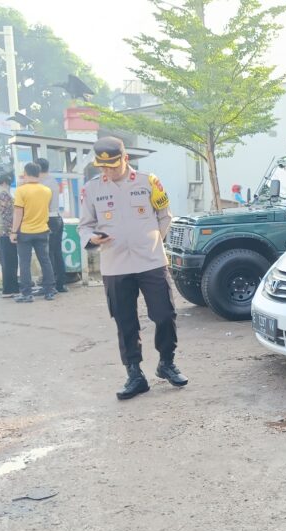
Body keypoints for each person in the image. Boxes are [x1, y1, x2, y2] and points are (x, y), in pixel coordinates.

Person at [78, 137, 188, 400]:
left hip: (150, 261)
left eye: (112, 166)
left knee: (164, 314)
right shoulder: (91, 189)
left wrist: (153, 241)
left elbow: (165, 215)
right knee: (125, 320)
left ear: (125, 159)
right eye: (102, 167)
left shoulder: (149, 181)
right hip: (115, 264)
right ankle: (134, 374)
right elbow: (84, 225)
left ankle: (166, 363)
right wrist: (92, 238)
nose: (107, 171)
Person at [10, 163, 56, 303]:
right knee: (45, 261)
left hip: (25, 232)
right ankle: (49, 291)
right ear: (39, 173)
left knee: (24, 262)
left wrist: (13, 231)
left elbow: (18, 213)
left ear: (25, 173)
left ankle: (26, 294)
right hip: (42, 230)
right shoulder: (47, 190)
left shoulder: (21, 191)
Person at [37, 158, 68, 293]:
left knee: (48, 254)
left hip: (48, 219)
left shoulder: (42, 184)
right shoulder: (53, 180)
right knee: (57, 252)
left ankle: (50, 284)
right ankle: (60, 284)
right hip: (57, 218)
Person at [0, 164, 18, 297]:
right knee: (10, 262)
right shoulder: (3, 193)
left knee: (6, 262)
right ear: (8, 178)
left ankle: (9, 288)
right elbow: (6, 215)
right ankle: (10, 289)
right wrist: (13, 232)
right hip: (4, 232)